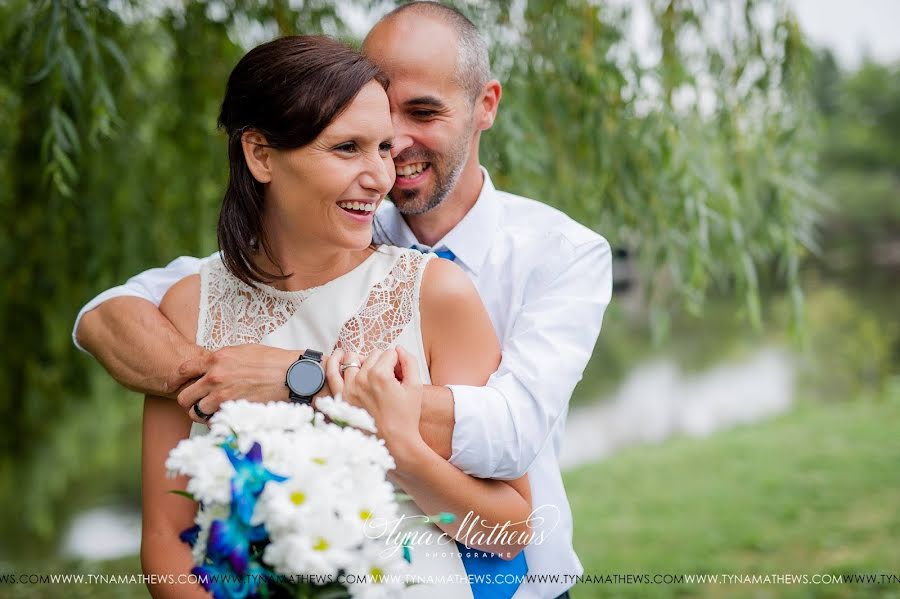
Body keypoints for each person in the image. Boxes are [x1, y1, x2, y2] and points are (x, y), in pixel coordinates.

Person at [74, 3, 612, 598]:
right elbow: (116, 309)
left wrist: (305, 380)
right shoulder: (321, 232)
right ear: (260, 155)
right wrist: (203, 378)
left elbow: (512, 432)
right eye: (357, 139)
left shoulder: (558, 255)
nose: (390, 160)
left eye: (421, 113)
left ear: (485, 105)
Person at [139, 35, 534, 599]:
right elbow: (165, 536)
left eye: (383, 149)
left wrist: (402, 452)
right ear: (261, 155)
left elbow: (511, 532)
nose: (380, 177)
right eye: (347, 148)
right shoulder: (185, 307)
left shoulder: (438, 296)